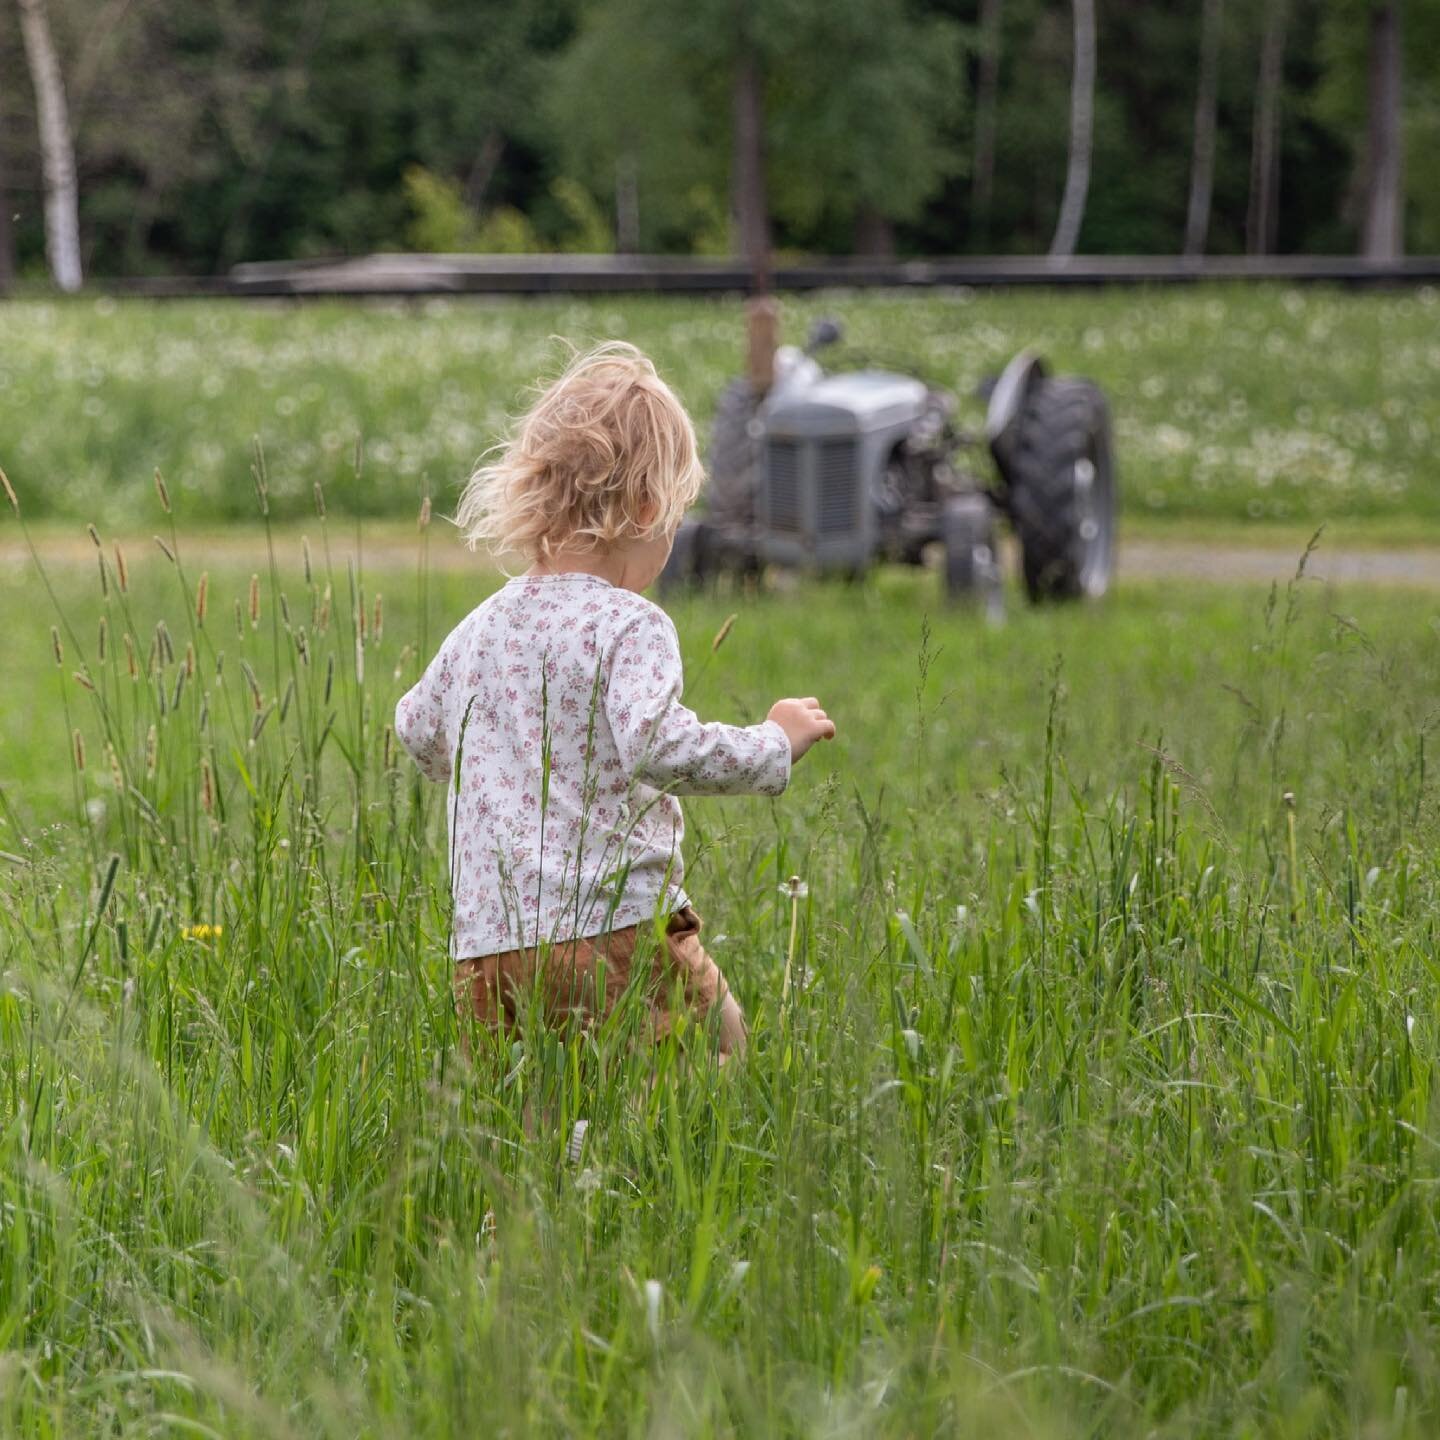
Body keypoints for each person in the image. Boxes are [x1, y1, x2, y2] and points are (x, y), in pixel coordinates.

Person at [395, 342, 834, 1060]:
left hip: (488, 947)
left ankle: (562, 1167)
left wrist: (492, 764)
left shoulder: (481, 626)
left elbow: (416, 727)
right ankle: (656, 1172)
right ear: (645, 506)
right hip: (613, 929)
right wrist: (773, 743)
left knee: (535, 1108)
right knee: (720, 1050)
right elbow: (660, 748)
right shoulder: (629, 623)